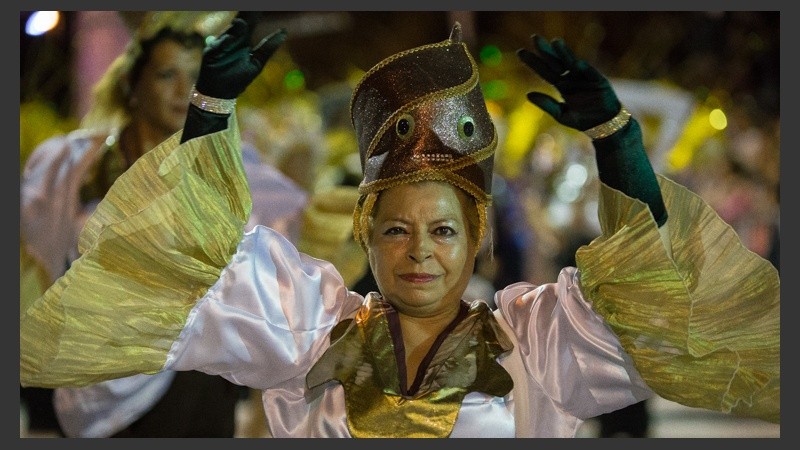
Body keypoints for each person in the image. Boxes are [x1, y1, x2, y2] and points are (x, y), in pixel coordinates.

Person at [20, 13, 779, 438]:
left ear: (476, 238)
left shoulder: (540, 345)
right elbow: (187, 253)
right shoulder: (306, 328)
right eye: (395, 231)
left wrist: (619, 144)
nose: (420, 251)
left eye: (444, 232)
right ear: (364, 235)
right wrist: (207, 116)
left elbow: (659, 293)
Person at [19, 14, 307, 437]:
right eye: (166, 74)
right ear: (133, 85)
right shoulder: (74, 163)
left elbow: (277, 238)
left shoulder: (229, 164)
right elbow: (35, 248)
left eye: (194, 77)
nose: (182, 91)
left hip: (188, 377)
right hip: (87, 370)